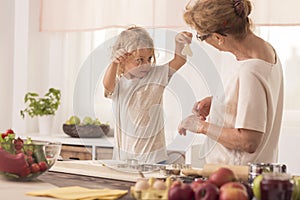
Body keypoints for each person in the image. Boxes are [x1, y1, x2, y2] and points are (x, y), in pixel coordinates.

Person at [178, 0, 284, 165]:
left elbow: (248, 141)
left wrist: (200, 126)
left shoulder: (250, 71)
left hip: (236, 177)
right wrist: (219, 103)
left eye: (201, 37)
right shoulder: (266, 51)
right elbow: (259, 105)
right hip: (251, 175)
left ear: (218, 37)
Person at [103, 26, 192, 164]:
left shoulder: (157, 75)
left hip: (155, 158)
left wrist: (179, 44)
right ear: (123, 59)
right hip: (124, 160)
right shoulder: (119, 84)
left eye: (149, 58)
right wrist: (114, 63)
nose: (145, 64)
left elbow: (180, 60)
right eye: (139, 60)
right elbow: (107, 86)